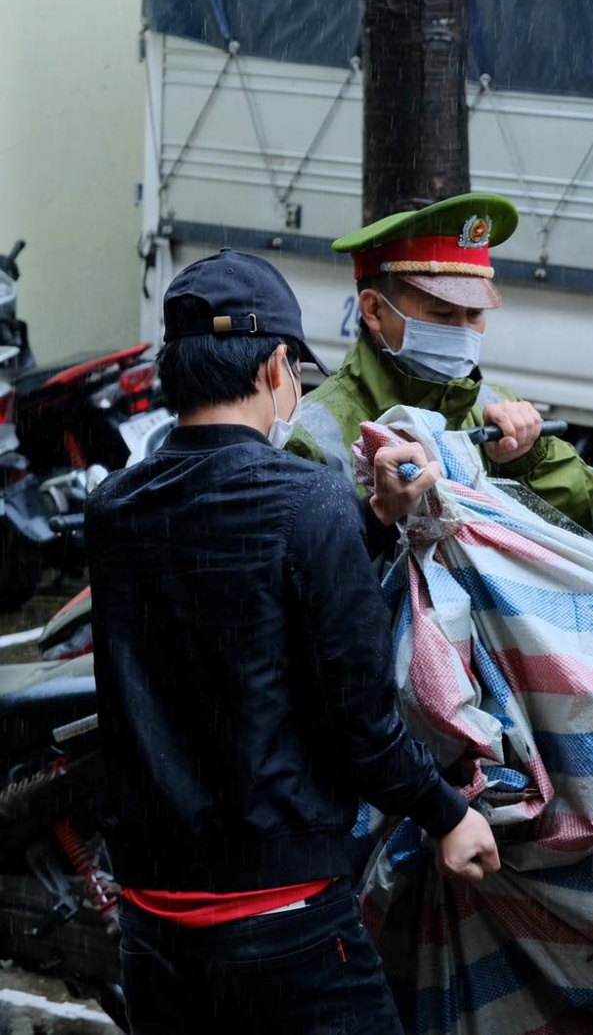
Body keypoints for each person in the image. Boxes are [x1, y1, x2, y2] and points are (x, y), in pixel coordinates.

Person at [87, 250, 498, 1033]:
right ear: (278, 365)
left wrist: (370, 525)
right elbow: (361, 723)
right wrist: (448, 814)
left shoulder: (114, 507)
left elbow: (231, 608)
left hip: (152, 915)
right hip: (282, 917)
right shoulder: (303, 499)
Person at [286, 193, 593, 540]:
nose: (462, 330)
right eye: (442, 312)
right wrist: (380, 517)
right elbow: (303, 574)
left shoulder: (493, 408)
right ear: (373, 311)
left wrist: (529, 461)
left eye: (474, 314)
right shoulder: (312, 435)